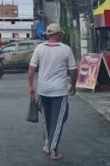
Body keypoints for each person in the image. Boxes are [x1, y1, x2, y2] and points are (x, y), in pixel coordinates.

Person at [28, 23, 77, 161]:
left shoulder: (39, 48)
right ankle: (53, 151)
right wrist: (73, 85)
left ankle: (47, 144)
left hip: (43, 90)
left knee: (47, 119)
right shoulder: (66, 49)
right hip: (59, 92)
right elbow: (73, 71)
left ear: (48, 35)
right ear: (59, 34)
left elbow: (31, 70)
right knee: (58, 120)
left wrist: (31, 87)